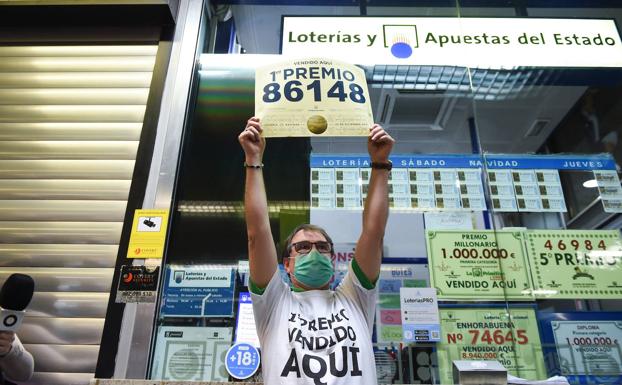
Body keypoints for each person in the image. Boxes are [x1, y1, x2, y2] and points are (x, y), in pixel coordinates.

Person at [239, 116, 394, 385]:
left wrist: (380, 165)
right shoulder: (274, 302)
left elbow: (374, 232)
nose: (314, 252)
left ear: (333, 260)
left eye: (322, 247)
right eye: (302, 247)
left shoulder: (355, 297)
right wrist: (253, 161)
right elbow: (258, 233)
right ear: (286, 263)